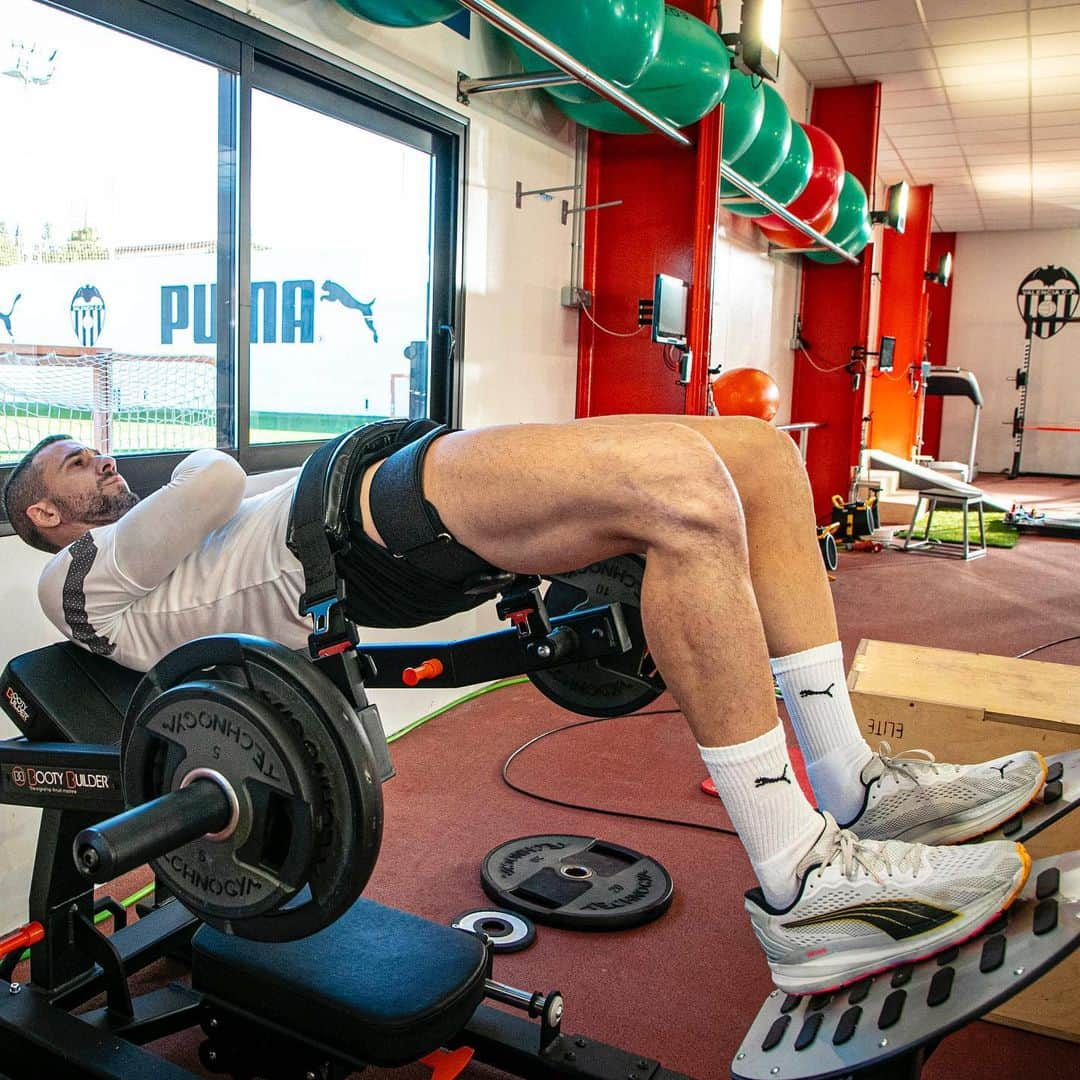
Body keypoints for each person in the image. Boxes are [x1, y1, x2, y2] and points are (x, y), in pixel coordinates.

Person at [3, 418, 1045, 995]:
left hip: (362, 488)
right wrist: (188, 458)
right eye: (73, 463)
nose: (99, 459)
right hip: (345, 529)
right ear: (44, 516)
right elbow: (220, 474)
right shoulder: (68, 580)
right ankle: (803, 880)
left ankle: (856, 786)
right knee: (680, 489)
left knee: (763, 461)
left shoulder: (142, 553)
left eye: (94, 451)